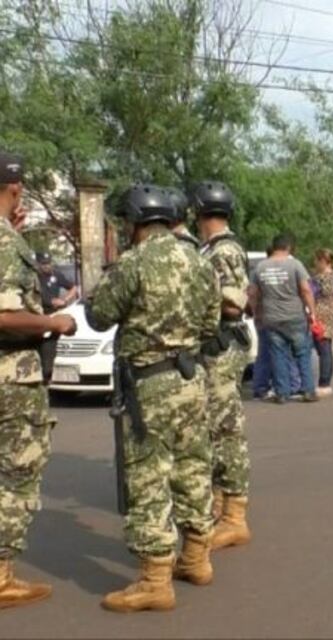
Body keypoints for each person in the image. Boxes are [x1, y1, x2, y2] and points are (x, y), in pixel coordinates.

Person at [86, 184, 220, 612]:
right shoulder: (199, 262)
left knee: (148, 477)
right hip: (191, 378)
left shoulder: (133, 263)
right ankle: (197, 559)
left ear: (134, 224)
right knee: (194, 466)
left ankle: (155, 580)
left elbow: (99, 315)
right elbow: (211, 322)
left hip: (150, 382)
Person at [0, 151, 76, 609]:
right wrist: (54, 323)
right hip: (11, 378)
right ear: (13, 189)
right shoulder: (5, 243)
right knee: (16, 476)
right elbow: (4, 315)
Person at [191, 181, 253, 551]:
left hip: (220, 348)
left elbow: (233, 304)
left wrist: (196, 298)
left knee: (225, 430)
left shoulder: (223, 251)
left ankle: (234, 517)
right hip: (214, 348)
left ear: (199, 212)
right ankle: (219, 503)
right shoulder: (212, 249)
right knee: (214, 429)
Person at [248, 233, 317, 404]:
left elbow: (252, 293)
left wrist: (256, 312)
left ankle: (282, 393)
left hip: (271, 318)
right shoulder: (295, 265)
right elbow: (306, 290)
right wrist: (312, 311)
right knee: (302, 354)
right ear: (289, 247)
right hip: (294, 317)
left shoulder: (260, 267)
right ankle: (308, 390)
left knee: (278, 355)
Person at [35, 251, 77, 384]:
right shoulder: (35, 277)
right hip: (39, 314)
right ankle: (44, 373)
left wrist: (65, 300)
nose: (47, 266)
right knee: (42, 345)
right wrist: (49, 301)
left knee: (51, 343)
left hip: (54, 314)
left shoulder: (56, 275)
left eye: (48, 263)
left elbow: (73, 288)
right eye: (44, 264)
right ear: (38, 264)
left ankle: (48, 372)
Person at [311, 248, 333, 397]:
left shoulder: (329, 277)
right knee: (324, 349)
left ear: (323, 261)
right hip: (320, 315)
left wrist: (314, 283)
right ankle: (324, 381)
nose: (315, 263)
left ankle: (324, 382)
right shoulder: (320, 276)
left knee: (324, 349)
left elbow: (326, 293)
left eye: (317, 260)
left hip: (324, 316)